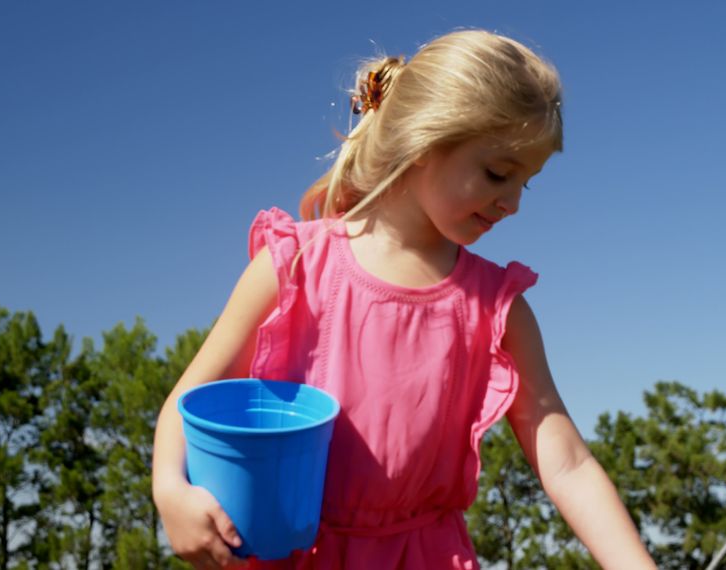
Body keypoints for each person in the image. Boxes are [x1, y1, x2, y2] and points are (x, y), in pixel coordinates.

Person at [152, 29, 657, 569]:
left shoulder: (498, 309)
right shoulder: (293, 266)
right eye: (498, 174)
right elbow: (190, 401)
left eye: (525, 184)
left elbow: (568, 464)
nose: (512, 203)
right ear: (423, 142)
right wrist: (169, 492)